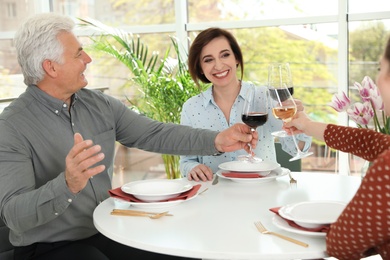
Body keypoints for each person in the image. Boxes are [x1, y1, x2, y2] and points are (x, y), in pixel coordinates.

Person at [0, 13, 258, 260]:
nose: (88, 58)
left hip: (105, 231)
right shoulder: (11, 126)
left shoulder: (98, 105)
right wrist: (67, 184)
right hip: (48, 247)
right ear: (51, 67)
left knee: (184, 254)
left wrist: (216, 140)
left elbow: (154, 133)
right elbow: (14, 215)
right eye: (79, 53)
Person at [283, 37, 390, 260]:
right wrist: (308, 126)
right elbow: (370, 143)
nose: (378, 80)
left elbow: (341, 245)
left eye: (381, 69)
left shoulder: (387, 169)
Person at [180, 27, 312, 181]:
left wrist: (297, 120)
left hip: (264, 192)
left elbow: (296, 148)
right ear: (201, 68)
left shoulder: (264, 96)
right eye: (208, 60)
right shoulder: (191, 108)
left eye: (225, 55)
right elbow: (186, 162)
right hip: (214, 194)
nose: (218, 65)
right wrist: (193, 168)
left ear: (236, 58)